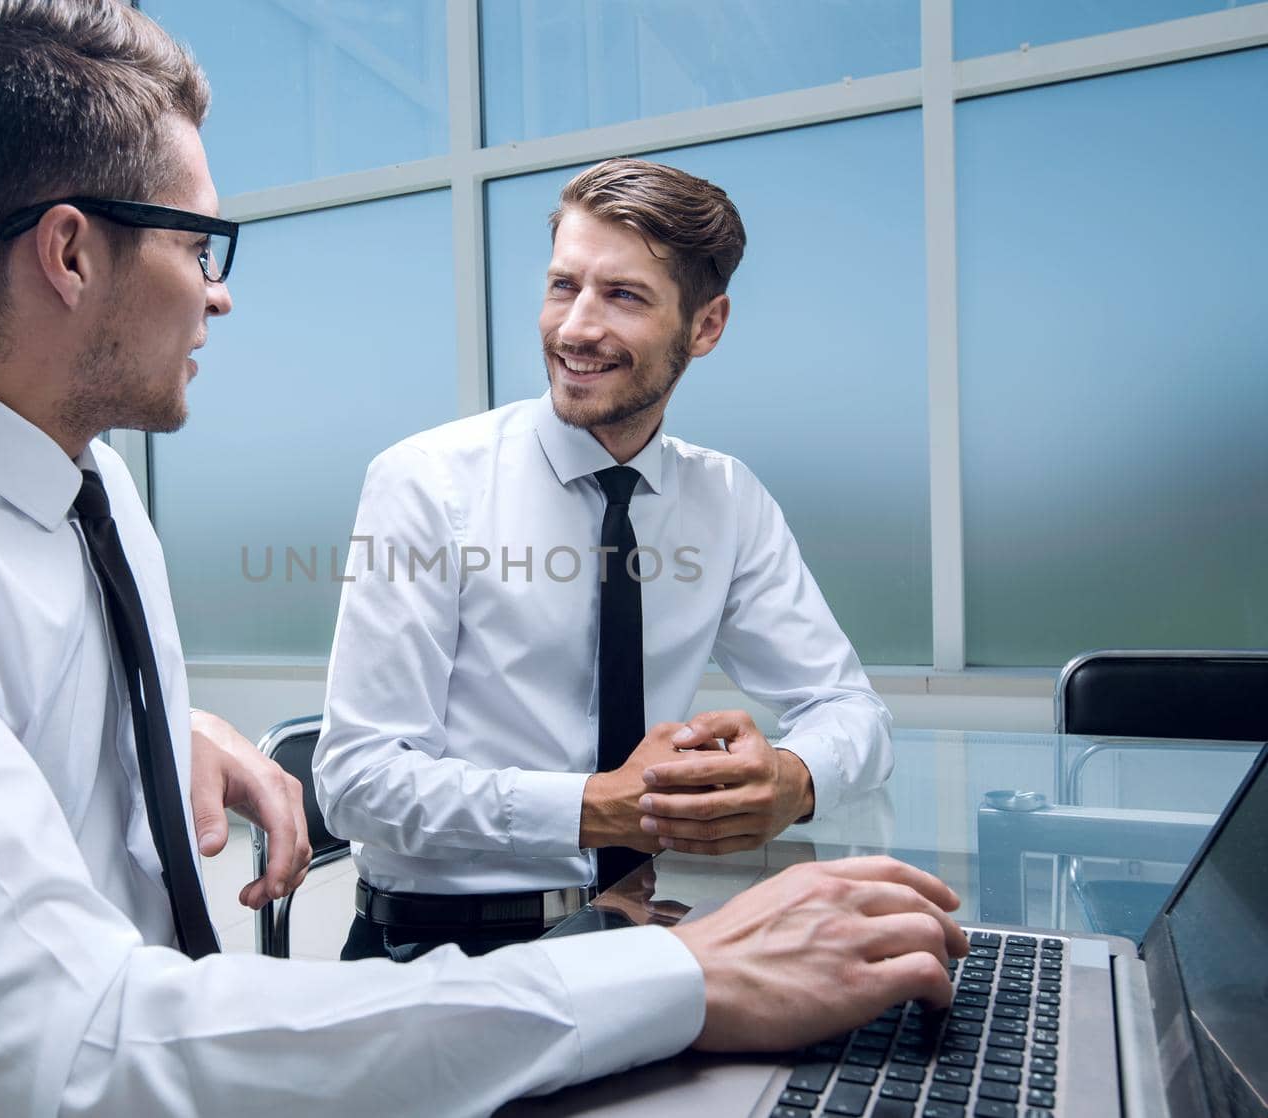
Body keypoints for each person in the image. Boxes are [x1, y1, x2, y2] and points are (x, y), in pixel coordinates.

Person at [0, 3, 961, 1114]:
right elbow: (73, 1057)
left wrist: (152, 722)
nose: (217, 293)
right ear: (70, 254)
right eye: (196, 243)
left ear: (705, 326)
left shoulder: (82, 492)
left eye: (620, 295)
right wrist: (688, 977)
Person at [316, 158, 894, 962]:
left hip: (633, 934)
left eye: (622, 296)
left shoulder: (726, 500)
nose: (576, 328)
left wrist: (794, 779)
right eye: (563, 287)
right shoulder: (427, 483)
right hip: (438, 949)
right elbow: (357, 781)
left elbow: (852, 710)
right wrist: (596, 809)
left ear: (706, 326)